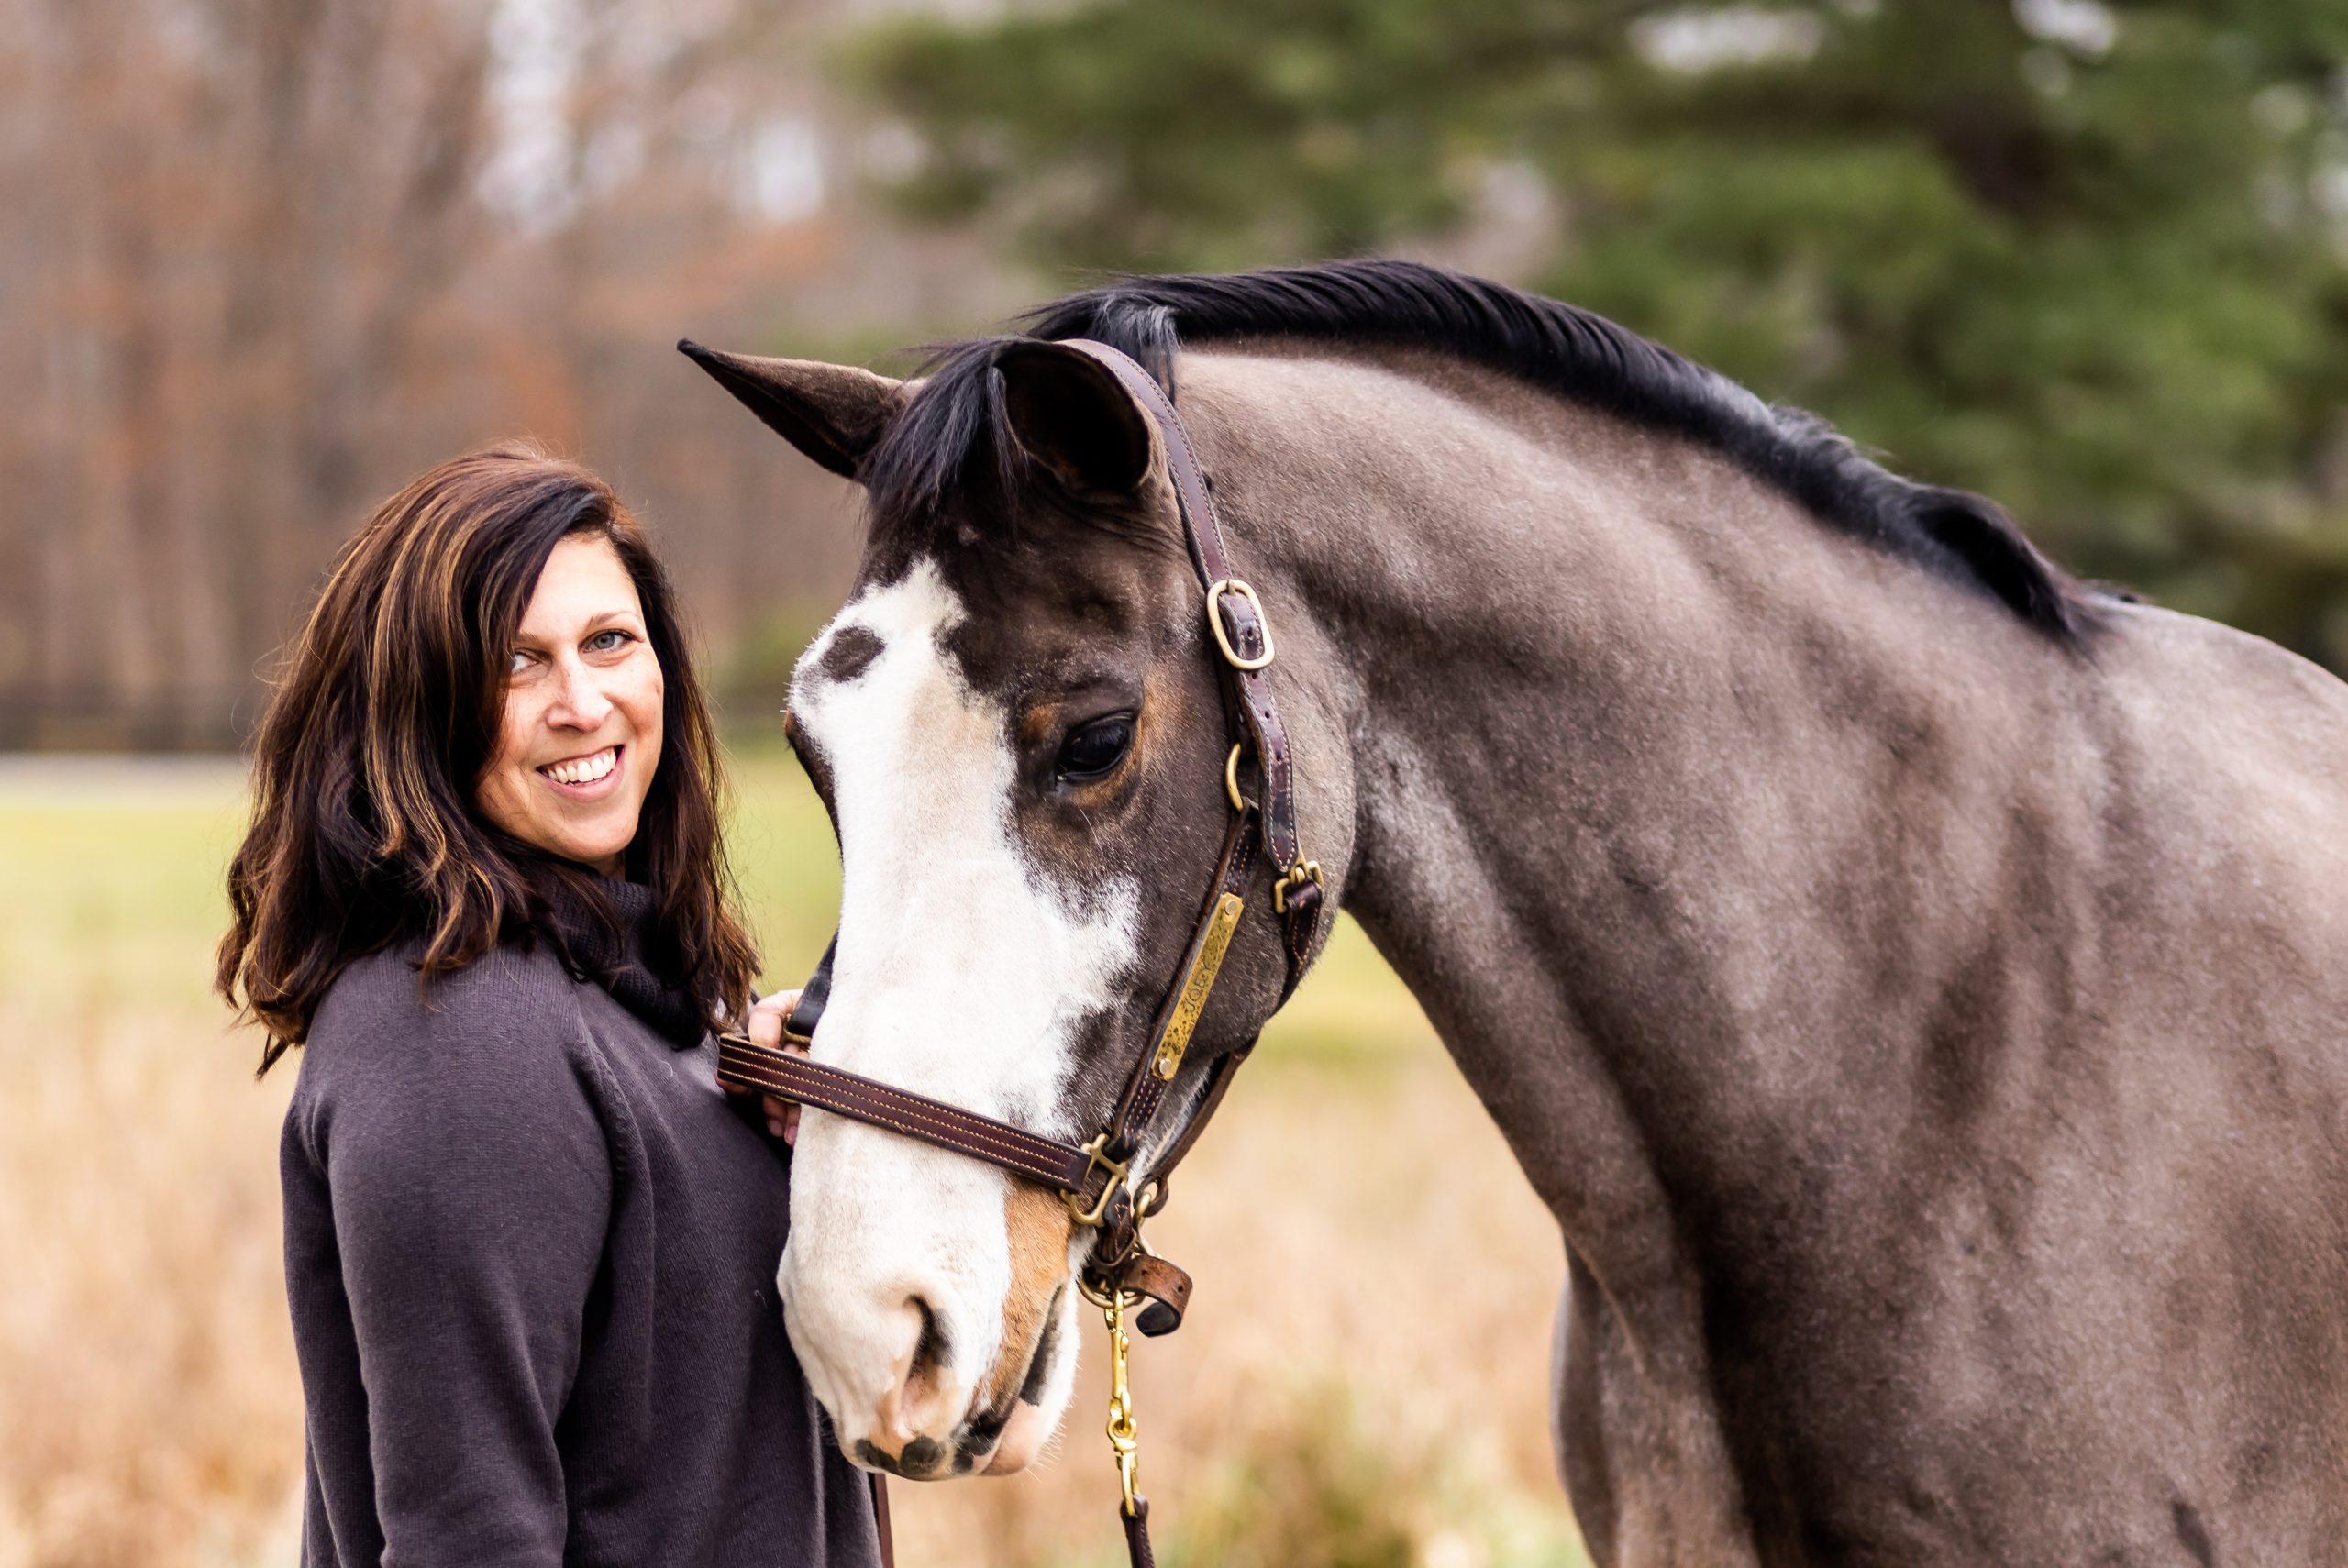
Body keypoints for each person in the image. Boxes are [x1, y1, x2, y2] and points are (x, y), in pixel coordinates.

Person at [216, 441, 881, 1567]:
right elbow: (468, 1539)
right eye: (516, 664)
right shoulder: (454, 1034)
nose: (583, 703)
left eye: (609, 642)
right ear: (416, 710)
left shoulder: (641, 995)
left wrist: (788, 1116)